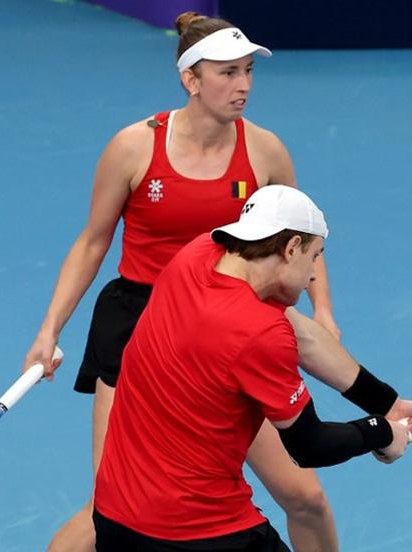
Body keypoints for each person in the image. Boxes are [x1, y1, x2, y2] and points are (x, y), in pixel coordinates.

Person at [26, 12, 348, 552]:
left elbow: (303, 238)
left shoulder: (265, 150)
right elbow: (92, 242)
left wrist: (324, 312)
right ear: (190, 80)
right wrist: (49, 329)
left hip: (227, 330)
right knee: (107, 508)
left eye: (248, 71)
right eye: (226, 73)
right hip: (138, 330)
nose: (243, 85)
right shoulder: (133, 148)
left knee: (305, 497)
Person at [93, 185, 412, 551]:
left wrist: (387, 403)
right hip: (201, 533)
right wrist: (381, 432)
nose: (315, 274)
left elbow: (307, 338)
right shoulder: (259, 332)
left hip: (115, 521)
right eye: (315, 256)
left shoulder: (197, 254)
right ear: (291, 248)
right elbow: (310, 445)